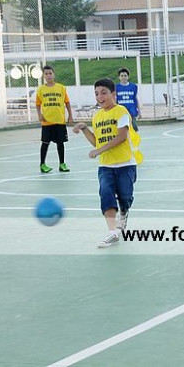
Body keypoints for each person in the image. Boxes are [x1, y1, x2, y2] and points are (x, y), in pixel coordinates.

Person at [73, 78, 140, 248]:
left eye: (104, 93)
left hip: (125, 164)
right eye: (96, 94)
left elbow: (121, 136)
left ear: (113, 94)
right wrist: (84, 129)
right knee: (106, 194)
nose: (100, 97)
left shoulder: (121, 111)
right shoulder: (97, 116)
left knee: (125, 198)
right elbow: (97, 142)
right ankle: (112, 231)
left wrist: (99, 150)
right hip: (105, 166)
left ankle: (123, 213)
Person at [35, 65, 74, 173]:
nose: (48, 75)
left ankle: (62, 164)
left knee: (60, 143)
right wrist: (39, 114)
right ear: (43, 76)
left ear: (54, 74)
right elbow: (38, 104)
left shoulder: (61, 88)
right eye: (46, 74)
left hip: (59, 120)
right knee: (45, 143)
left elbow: (67, 102)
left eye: (50, 73)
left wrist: (70, 115)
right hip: (47, 121)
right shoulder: (41, 89)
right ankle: (42, 164)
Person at [115, 68, 142, 132]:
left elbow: (135, 98)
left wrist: (139, 111)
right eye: (122, 76)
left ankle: (133, 138)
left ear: (128, 77)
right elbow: (115, 100)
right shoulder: (116, 87)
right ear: (119, 77)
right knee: (122, 129)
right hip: (121, 111)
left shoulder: (133, 86)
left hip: (131, 111)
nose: (123, 77)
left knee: (133, 127)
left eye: (125, 75)